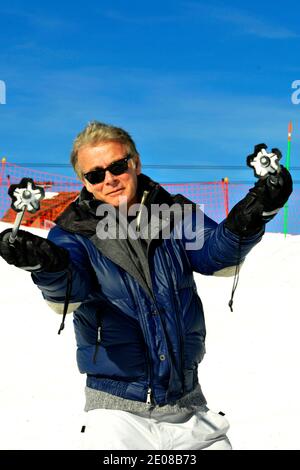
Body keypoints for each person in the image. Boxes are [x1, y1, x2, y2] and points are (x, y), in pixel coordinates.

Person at [0, 122, 292, 450]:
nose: (109, 179)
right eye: (95, 174)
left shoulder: (175, 214)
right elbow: (71, 288)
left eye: (117, 166)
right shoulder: (72, 232)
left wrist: (256, 210)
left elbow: (215, 253)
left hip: (188, 409)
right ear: (84, 181)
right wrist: (46, 262)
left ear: (135, 162)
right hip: (117, 416)